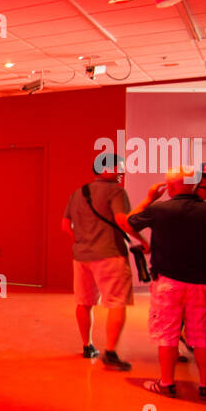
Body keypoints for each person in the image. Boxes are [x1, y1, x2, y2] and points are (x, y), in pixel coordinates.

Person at [119, 167, 206, 400]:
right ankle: (205, 386)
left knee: (167, 333)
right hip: (203, 282)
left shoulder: (159, 209)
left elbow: (128, 223)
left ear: (171, 186)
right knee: (205, 336)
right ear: (195, 186)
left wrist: (149, 198)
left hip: (167, 282)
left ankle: (166, 383)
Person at [62, 154, 137, 371]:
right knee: (117, 302)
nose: (122, 171)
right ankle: (110, 352)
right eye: (119, 167)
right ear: (105, 168)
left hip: (81, 256)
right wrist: (141, 240)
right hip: (110, 254)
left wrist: (83, 240)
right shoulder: (116, 192)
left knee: (84, 301)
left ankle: (87, 346)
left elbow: (65, 225)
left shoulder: (78, 193)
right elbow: (123, 220)